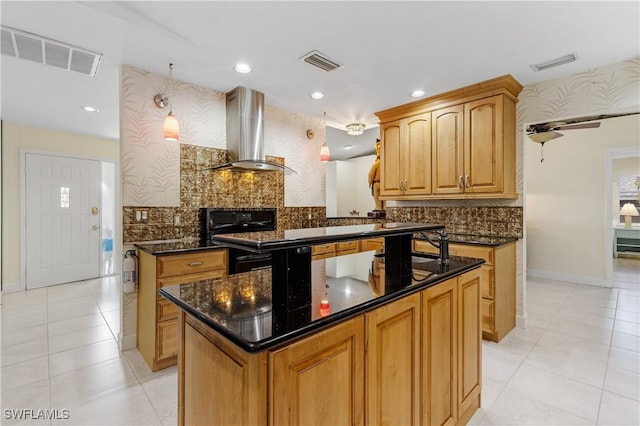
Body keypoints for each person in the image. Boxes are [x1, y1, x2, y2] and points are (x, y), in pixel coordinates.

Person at [368, 139, 384, 211]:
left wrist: (370, 182)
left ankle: (378, 209)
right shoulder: (386, 163)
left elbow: (370, 175)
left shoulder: (376, 164)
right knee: (384, 200)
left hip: (377, 183)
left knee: (377, 200)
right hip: (384, 185)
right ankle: (383, 209)